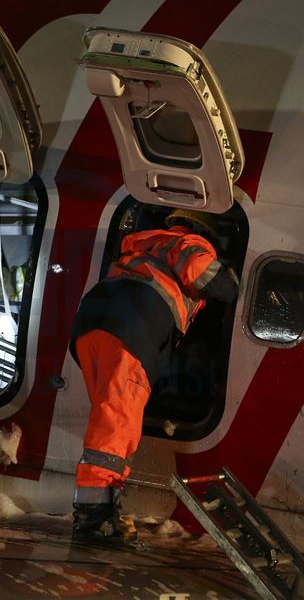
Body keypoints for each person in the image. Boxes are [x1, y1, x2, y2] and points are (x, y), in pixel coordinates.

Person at [68, 209, 241, 544]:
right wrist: (232, 279)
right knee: (116, 428)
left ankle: (102, 512)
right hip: (131, 331)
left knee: (110, 420)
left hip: (93, 325)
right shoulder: (190, 243)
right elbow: (208, 277)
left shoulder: (149, 244)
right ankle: (93, 520)